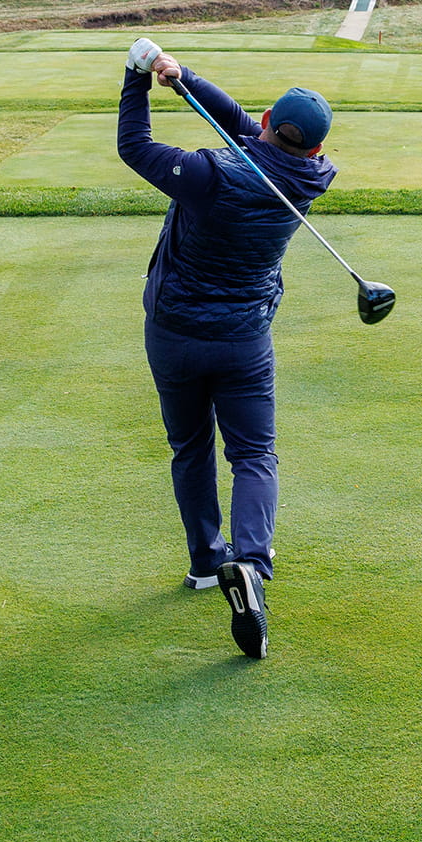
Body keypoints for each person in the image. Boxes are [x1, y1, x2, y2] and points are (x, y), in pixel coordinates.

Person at [117, 37, 336, 659]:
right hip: (244, 341)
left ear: (269, 124)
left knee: (190, 449)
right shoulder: (312, 176)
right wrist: (182, 78)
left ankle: (208, 563)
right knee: (255, 455)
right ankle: (253, 567)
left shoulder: (213, 174)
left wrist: (135, 79)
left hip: (176, 335)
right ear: (314, 145)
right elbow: (238, 123)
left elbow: (134, 147)